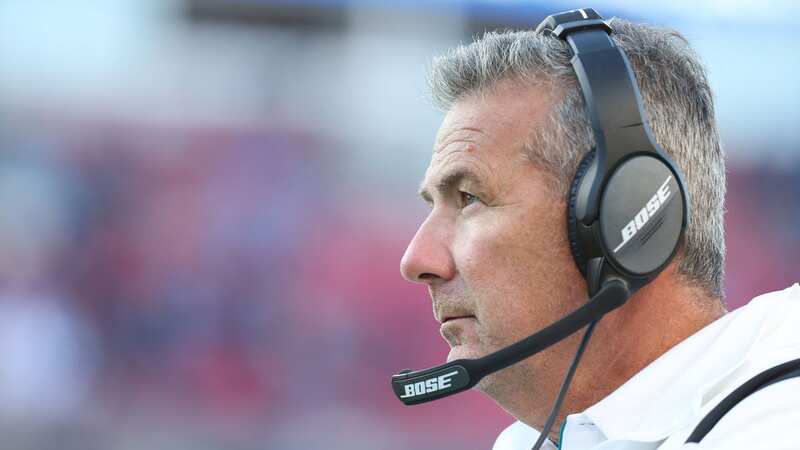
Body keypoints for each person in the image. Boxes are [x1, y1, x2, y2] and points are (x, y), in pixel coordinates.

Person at [398, 12, 800, 450]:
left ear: (625, 216)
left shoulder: (778, 421)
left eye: (469, 198)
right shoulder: (537, 440)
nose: (416, 260)